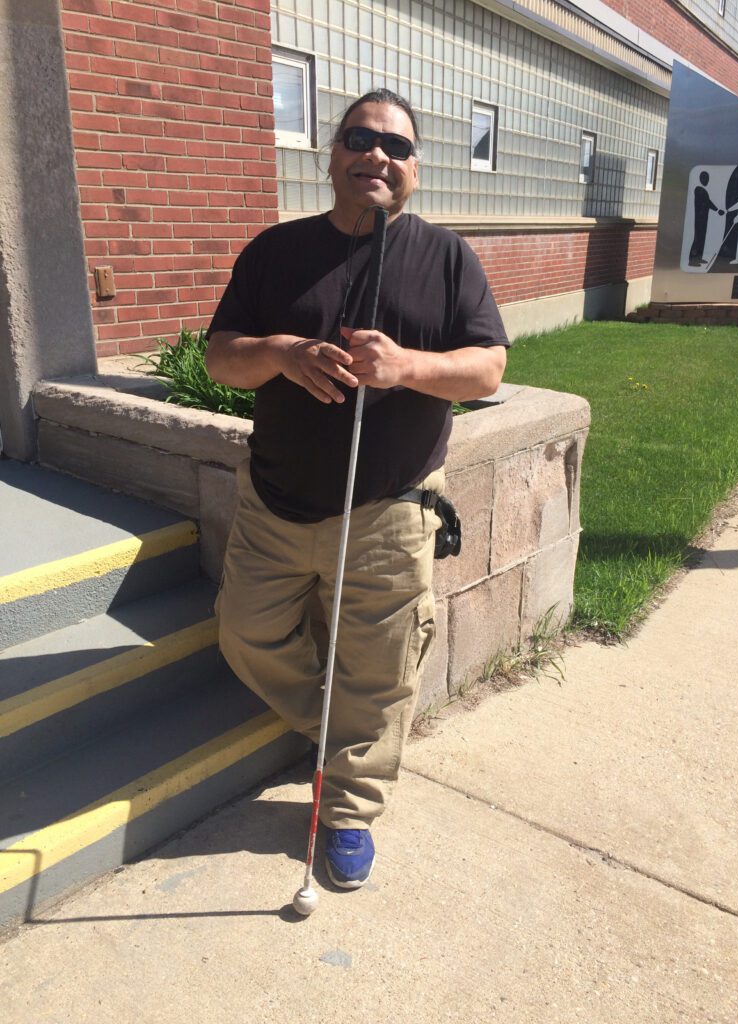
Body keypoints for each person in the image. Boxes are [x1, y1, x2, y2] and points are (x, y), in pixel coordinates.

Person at [205, 89, 508, 890]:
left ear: (414, 170)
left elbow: (488, 367)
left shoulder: (446, 259)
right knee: (245, 634)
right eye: (359, 139)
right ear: (331, 155)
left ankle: (348, 808)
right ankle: (350, 735)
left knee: (379, 666)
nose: (377, 155)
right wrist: (278, 350)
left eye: (397, 148)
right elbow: (220, 359)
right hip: (274, 505)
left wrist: (406, 367)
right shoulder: (274, 251)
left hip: (388, 511)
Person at [688, 171, 723, 267]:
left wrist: (717, 210)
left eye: (707, 178)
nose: (706, 180)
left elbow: (708, 202)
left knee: (702, 238)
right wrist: (717, 210)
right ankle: (692, 260)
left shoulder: (703, 190)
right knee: (698, 238)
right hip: (699, 218)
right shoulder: (698, 189)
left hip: (704, 218)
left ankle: (699, 257)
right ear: (700, 178)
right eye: (704, 178)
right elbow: (707, 202)